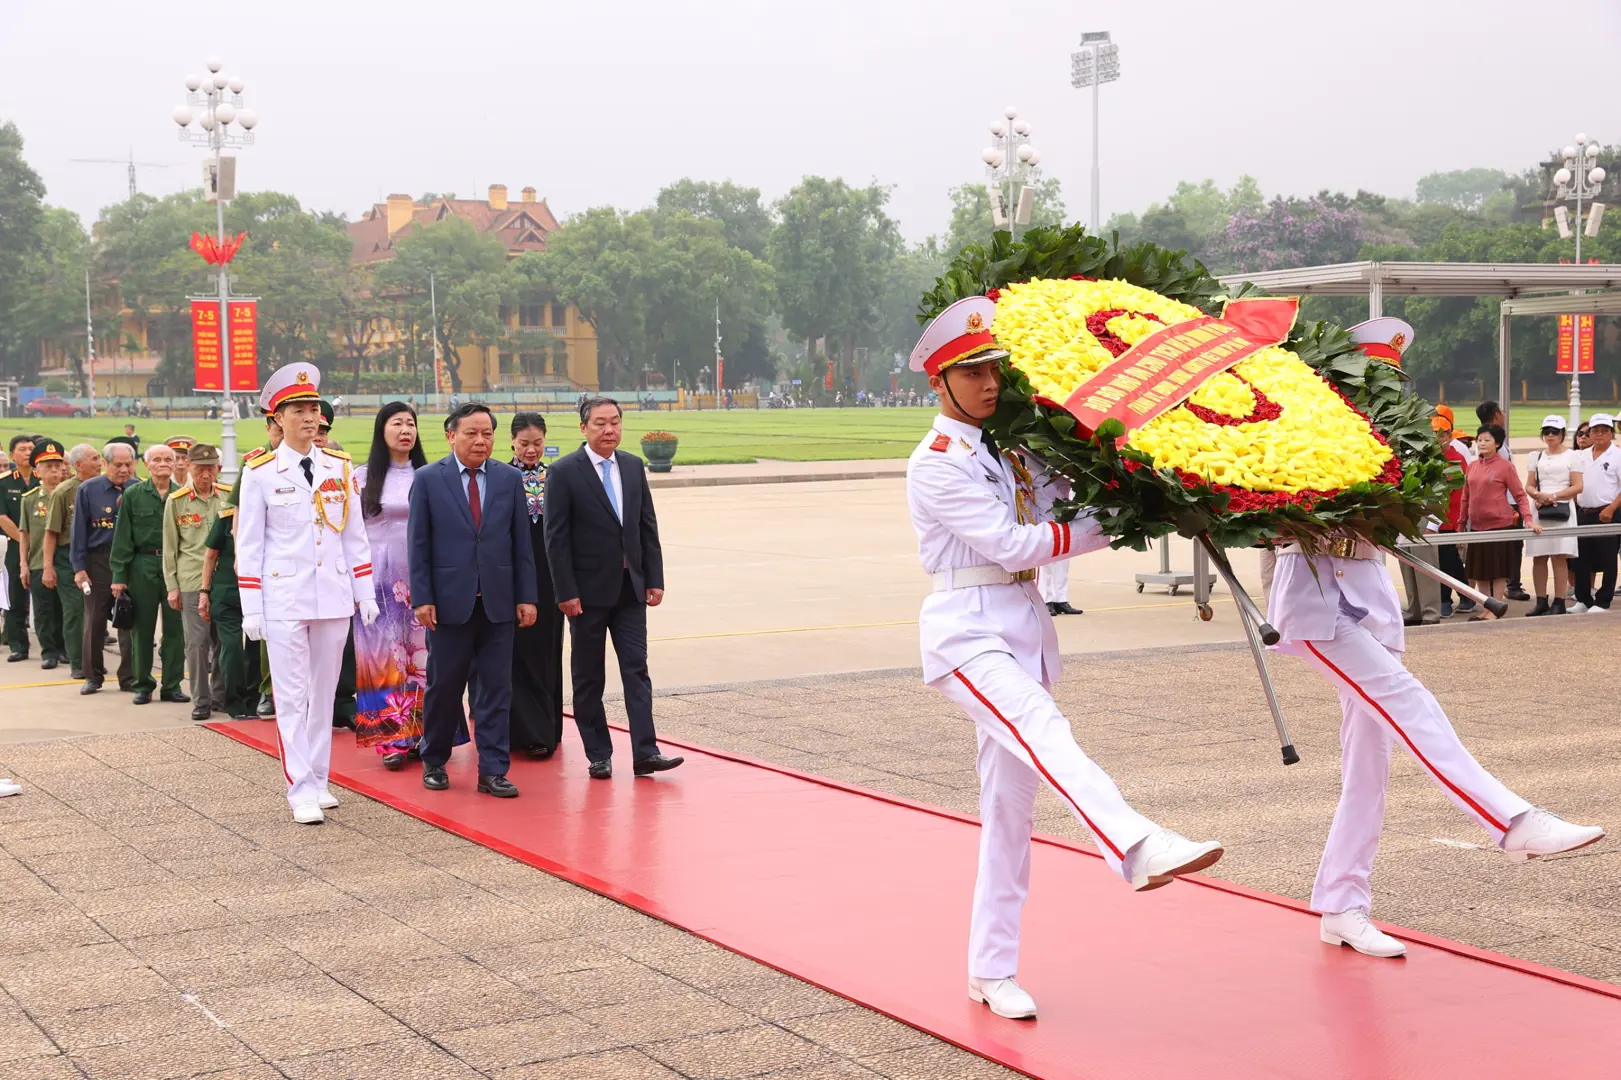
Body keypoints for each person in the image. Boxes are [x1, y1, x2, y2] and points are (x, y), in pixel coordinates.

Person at [906, 297, 1222, 1021]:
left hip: (1020, 632)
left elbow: (1072, 497)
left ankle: (989, 970)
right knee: (1044, 731)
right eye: (971, 372)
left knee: (1008, 818)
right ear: (939, 383)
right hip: (966, 633)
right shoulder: (935, 464)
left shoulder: (1012, 448)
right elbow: (1015, 545)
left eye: (993, 369)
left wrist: (1137, 484)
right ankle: (1134, 844)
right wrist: (1107, 531)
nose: (989, 383)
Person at [1269, 320, 1600, 961]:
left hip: (1369, 605)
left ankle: (1342, 903)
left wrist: (1380, 512)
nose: (1385, 388)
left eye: (1393, 377)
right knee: (1409, 701)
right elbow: (1265, 521)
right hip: (1315, 609)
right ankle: (1512, 822)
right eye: (1373, 377)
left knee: (1369, 768)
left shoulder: (1402, 441)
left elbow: (1422, 514)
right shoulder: (1298, 430)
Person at [237, 363, 378, 824]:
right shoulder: (259, 472)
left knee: (323, 693)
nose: (309, 417)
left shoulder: (338, 467)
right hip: (283, 597)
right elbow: (250, 545)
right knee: (292, 695)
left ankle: (319, 778)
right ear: (277, 418)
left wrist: (366, 592)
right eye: (298, 409)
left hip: (333, 594)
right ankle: (299, 786)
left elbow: (354, 537)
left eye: (314, 408)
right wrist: (251, 607)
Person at [545, 396, 682, 780]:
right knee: (589, 676)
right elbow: (556, 538)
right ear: (583, 427)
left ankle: (645, 752)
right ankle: (598, 754)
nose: (610, 430)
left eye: (616, 422)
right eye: (601, 423)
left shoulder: (633, 466)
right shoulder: (564, 472)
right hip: (585, 595)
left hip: (630, 591)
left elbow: (645, 527)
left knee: (636, 669)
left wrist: (653, 578)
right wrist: (565, 591)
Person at [408, 402, 535, 798]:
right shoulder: (429, 479)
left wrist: (526, 596)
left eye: (487, 434)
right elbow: (419, 545)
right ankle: (434, 759)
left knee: (497, 689)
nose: (481, 441)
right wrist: (423, 598)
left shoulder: (508, 478)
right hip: (448, 603)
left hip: (497, 601)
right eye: (471, 433)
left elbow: (521, 544)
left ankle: (493, 770)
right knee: (444, 686)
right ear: (451, 436)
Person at [354, 401, 429, 770]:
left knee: (421, 657)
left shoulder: (431, 475)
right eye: (397, 423)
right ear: (381, 431)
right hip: (378, 580)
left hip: (419, 576)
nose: (405, 430)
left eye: (411, 424)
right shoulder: (361, 477)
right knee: (382, 657)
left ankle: (421, 734)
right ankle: (391, 738)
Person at [110, 444, 188, 707]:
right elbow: (122, 538)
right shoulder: (133, 495)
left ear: (176, 464)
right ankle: (142, 684)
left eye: (169, 459)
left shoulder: (182, 495)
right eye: (157, 459)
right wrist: (119, 576)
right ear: (147, 465)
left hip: (176, 568)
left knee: (175, 629)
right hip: (142, 565)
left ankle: (172, 685)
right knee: (141, 630)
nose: (164, 463)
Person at [509, 412, 566, 760]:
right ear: (512, 441)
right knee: (516, 653)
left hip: (551, 578)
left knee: (547, 651)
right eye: (525, 443)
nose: (531, 450)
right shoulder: (501, 477)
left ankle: (547, 727)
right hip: (515, 574)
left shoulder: (556, 477)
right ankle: (522, 730)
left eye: (538, 443)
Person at [163, 443, 229, 719]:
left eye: (210, 468)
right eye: (199, 468)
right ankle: (201, 699)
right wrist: (172, 587)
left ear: (219, 469)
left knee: (224, 641)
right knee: (197, 643)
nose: (204, 474)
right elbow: (169, 546)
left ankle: (221, 695)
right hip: (190, 579)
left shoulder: (228, 496)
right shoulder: (177, 501)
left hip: (224, 579)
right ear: (189, 468)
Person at [73, 440, 137, 694]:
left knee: (128, 619)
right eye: (118, 464)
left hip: (130, 561)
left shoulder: (139, 489)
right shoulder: (89, 490)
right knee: (95, 620)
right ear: (106, 464)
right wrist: (79, 568)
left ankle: (129, 676)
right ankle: (94, 676)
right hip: (98, 560)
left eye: (128, 464)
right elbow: (78, 532)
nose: (123, 469)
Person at [1460, 424, 1539, 617]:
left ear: (1497, 443)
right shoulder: (1472, 466)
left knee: (1498, 570)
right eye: (1479, 440)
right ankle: (1487, 607)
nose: (1482, 443)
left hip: (1500, 526)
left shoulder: (1505, 466)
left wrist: (1528, 519)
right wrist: (1461, 525)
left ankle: (1496, 608)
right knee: (1480, 571)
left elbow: (1520, 495)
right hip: (1477, 527)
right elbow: (1465, 497)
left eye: (1487, 440)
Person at [45, 444, 100, 678]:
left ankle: (93, 660)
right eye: (94, 459)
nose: (100, 463)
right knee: (75, 611)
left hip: (96, 556)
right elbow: (51, 532)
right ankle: (78, 663)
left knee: (96, 611)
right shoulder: (64, 492)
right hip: (68, 558)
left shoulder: (102, 487)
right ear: (79, 465)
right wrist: (48, 567)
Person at [198, 503, 256, 719]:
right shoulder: (226, 518)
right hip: (226, 593)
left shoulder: (269, 515)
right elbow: (210, 555)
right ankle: (234, 703)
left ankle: (253, 703)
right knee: (231, 648)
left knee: (256, 649)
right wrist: (204, 591)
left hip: (258, 594)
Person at [1523, 415, 1583, 617]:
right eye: (1546, 432)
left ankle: (1559, 601)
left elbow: (1577, 486)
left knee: (1559, 556)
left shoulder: (1572, 456)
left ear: (1562, 434)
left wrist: (1555, 496)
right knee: (1539, 557)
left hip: (1562, 508)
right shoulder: (1536, 456)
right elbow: (1529, 485)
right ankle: (1541, 601)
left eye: (1554, 432)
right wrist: (1538, 495)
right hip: (1541, 507)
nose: (1550, 436)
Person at [17, 440, 69, 670]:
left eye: (58, 466)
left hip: (66, 562)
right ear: (37, 471)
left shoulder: (70, 495)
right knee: (44, 610)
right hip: (39, 562)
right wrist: (23, 564)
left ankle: (65, 648)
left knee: (66, 609)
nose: (55, 471)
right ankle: (49, 652)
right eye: (48, 467)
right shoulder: (30, 499)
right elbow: (25, 534)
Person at [1476, 401, 1530, 603]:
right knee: (1510, 548)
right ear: (1496, 414)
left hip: (1499, 504)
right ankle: (1512, 585)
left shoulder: (1487, 440)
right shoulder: (1495, 445)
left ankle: (1503, 587)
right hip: (1505, 505)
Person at [1571, 412, 1621, 614]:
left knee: (1608, 557)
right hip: (1584, 511)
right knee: (1581, 557)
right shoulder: (1581, 455)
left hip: (1607, 511)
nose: (1599, 434)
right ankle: (1583, 598)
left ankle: (1603, 600)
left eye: (1604, 430)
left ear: (1611, 433)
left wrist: (1611, 508)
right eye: (1595, 430)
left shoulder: (1617, 455)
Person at [1431, 407, 1472, 618]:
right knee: (1449, 560)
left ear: (1449, 434)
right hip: (1437, 516)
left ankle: (1446, 599)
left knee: (1446, 560)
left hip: (1449, 515)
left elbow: (1455, 491)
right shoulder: (1432, 456)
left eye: (1442, 434)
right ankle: (1466, 596)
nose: (1438, 438)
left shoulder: (1455, 457)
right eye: (1435, 433)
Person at [0, 434, 37, 661]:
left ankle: (54, 646)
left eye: (31, 448)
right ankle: (18, 645)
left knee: (45, 597)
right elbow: (2, 518)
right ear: (13, 455)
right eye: (22, 449)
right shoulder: (4, 483)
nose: (27, 452)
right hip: (14, 546)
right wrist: (26, 542)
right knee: (15, 595)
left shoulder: (43, 480)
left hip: (44, 546)